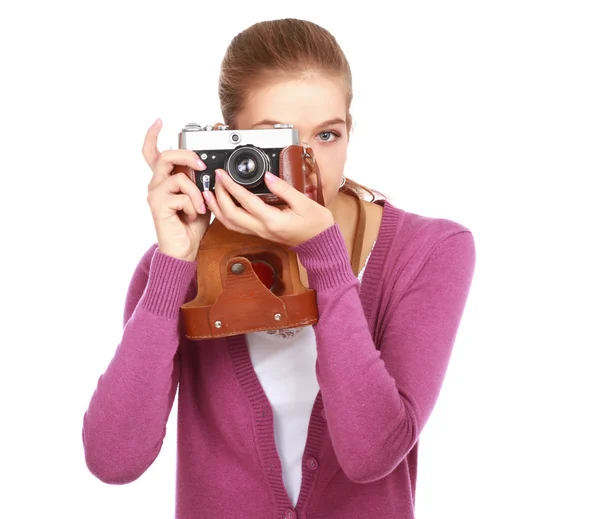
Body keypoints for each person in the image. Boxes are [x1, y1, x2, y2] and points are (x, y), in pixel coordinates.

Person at [82, 18, 476, 519]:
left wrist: (325, 257)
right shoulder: (176, 265)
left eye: (327, 135)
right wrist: (173, 265)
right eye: (278, 140)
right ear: (230, 145)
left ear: (351, 131)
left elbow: (372, 454)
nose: (305, 166)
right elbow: (113, 461)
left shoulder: (431, 249)